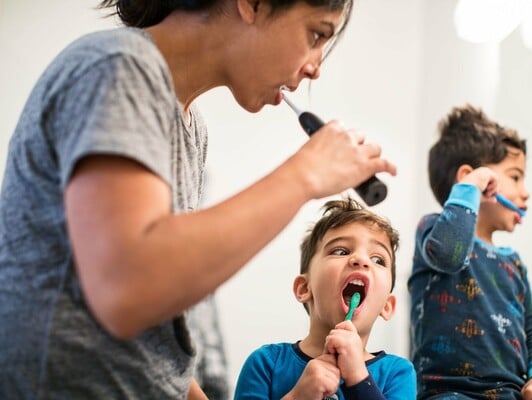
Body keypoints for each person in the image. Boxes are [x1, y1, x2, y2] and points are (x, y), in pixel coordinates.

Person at [0, 1, 399, 399]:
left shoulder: (192, 128)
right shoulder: (118, 67)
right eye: (316, 34)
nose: (315, 66)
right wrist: (305, 174)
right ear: (253, 4)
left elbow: (155, 337)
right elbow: (127, 290)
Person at [408, 104, 532, 400]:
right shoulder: (433, 230)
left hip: (512, 391)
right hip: (449, 392)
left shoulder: (513, 262)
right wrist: (470, 188)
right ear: (471, 178)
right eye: (516, 176)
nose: (526, 191)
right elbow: (450, 255)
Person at [234, 197, 417, 400]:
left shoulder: (397, 373)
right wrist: (297, 397)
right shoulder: (266, 364)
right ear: (304, 288)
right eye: (341, 251)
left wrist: (358, 378)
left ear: (387, 306)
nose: (361, 260)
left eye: (378, 260)